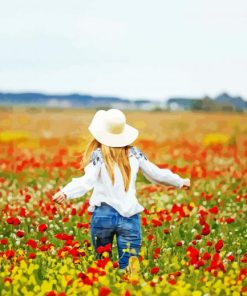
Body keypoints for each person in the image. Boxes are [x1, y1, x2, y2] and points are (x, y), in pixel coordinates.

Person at [52, 109, 190, 280]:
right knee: (129, 271)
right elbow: (157, 174)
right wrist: (179, 182)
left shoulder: (98, 156)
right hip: (129, 216)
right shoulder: (135, 154)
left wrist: (66, 192)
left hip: (103, 216)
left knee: (102, 269)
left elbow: (87, 180)